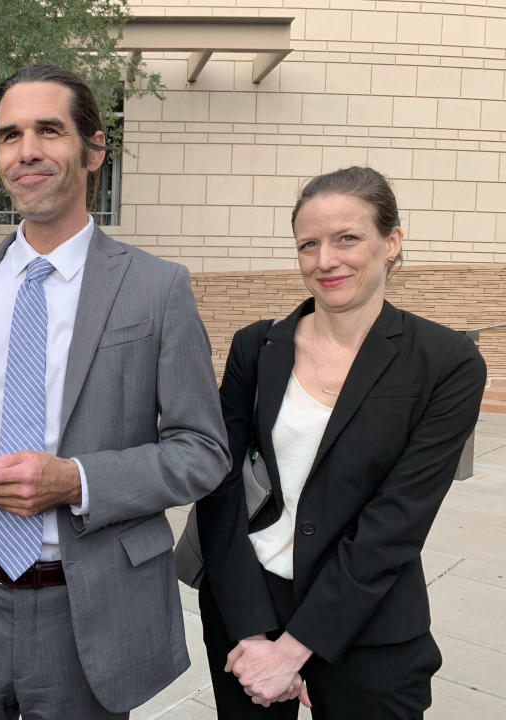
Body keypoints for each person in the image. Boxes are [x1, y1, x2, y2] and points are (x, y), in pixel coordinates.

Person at [0, 64, 230, 719]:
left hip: (88, 606)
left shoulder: (157, 288)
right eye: (10, 135)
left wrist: (75, 481)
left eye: (49, 130)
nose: (27, 151)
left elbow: (202, 449)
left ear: (94, 148)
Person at [196, 166, 486, 719]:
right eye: (309, 244)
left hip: (367, 621)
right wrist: (256, 634)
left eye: (347, 238)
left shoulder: (445, 362)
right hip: (247, 609)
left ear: (391, 242)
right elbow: (221, 488)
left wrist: (295, 648)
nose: (325, 260)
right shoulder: (257, 347)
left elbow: (397, 519)